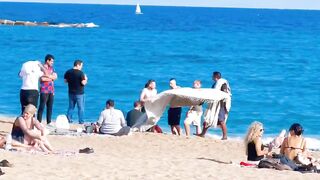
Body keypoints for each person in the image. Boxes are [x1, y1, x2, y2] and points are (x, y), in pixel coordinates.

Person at [64, 60, 88, 124]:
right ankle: (81, 121)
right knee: (81, 108)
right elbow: (83, 83)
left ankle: (69, 120)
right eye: (81, 66)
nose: (81, 67)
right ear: (78, 65)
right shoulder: (80, 73)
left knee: (71, 107)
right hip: (79, 93)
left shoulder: (68, 72)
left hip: (71, 92)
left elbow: (65, 81)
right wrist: (86, 79)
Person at [37, 54, 57, 125]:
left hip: (51, 90)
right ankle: (39, 122)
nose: (52, 63)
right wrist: (51, 78)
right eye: (51, 61)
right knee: (41, 107)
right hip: (44, 90)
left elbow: (55, 77)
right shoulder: (41, 68)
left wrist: (49, 77)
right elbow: (42, 79)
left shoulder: (52, 68)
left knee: (50, 107)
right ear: (47, 60)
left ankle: (49, 122)